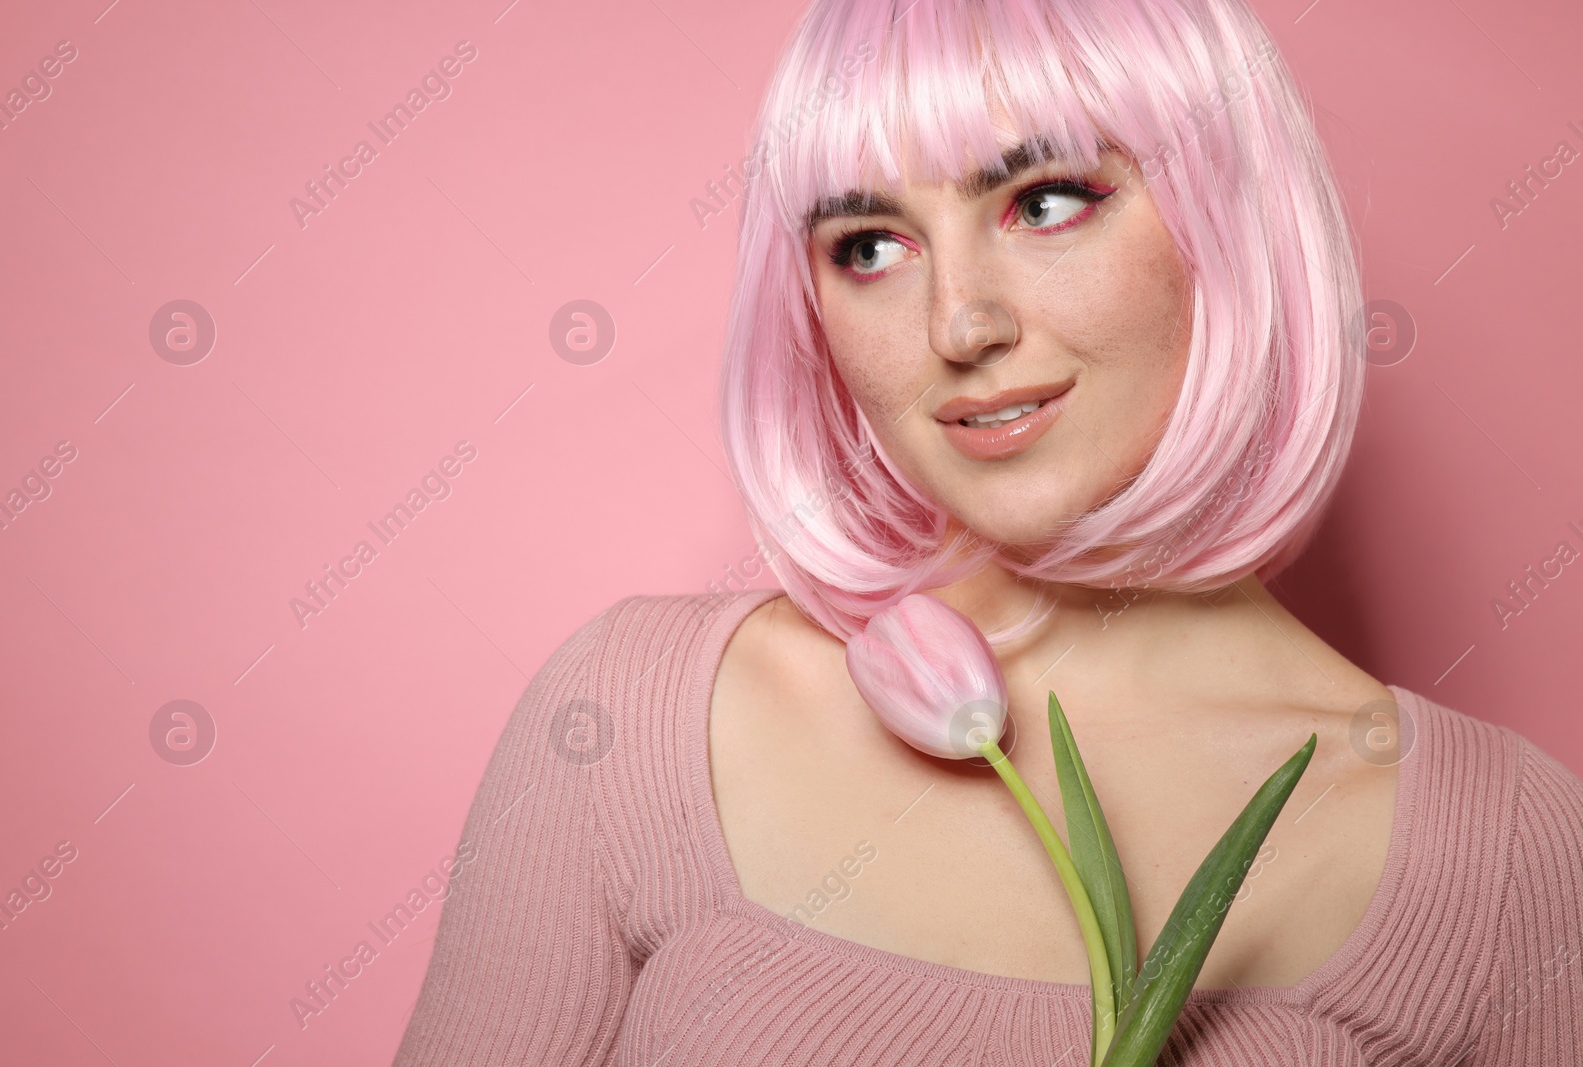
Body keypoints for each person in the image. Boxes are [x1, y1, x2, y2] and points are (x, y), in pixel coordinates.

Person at [391, 0, 1583, 1062]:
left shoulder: (1505, 852)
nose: (957, 322)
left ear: (1227, 222)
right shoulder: (639, 721)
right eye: (868, 244)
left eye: (1045, 200)